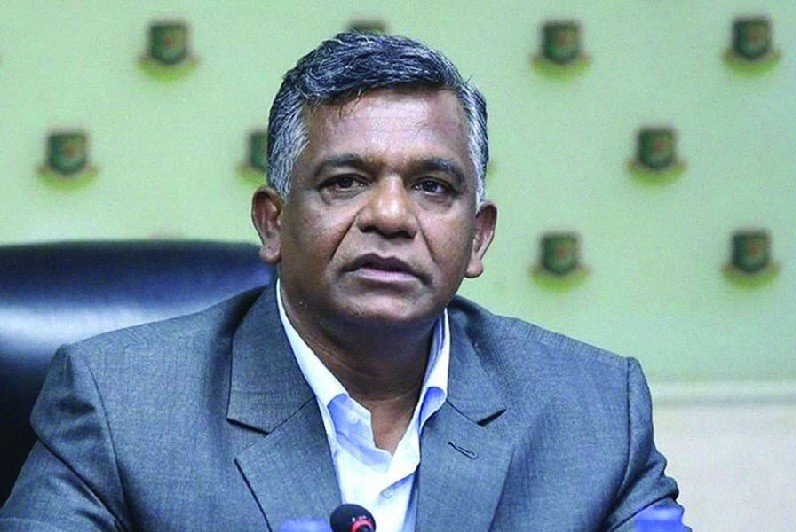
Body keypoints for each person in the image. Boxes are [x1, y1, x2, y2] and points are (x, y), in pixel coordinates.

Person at [0, 33, 682, 531]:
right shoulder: (122, 405)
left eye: (433, 186)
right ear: (272, 224)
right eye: (347, 181)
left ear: (478, 238)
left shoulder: (593, 411)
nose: (390, 216)